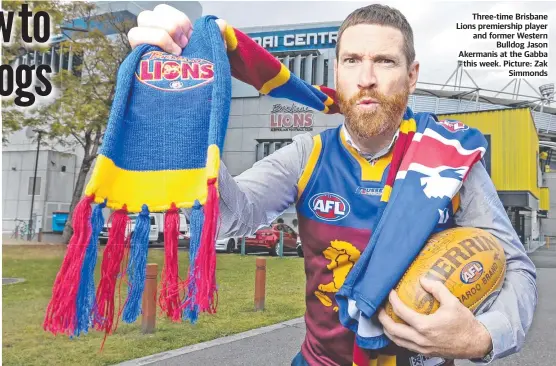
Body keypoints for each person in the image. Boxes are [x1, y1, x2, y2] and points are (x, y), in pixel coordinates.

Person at [128, 4, 537, 365]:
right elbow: (228, 217)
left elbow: (515, 265)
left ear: (412, 76)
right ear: (336, 71)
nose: (367, 78)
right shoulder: (307, 155)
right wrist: (177, 105)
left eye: (386, 62)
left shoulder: (449, 156)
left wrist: (482, 337)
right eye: (352, 60)